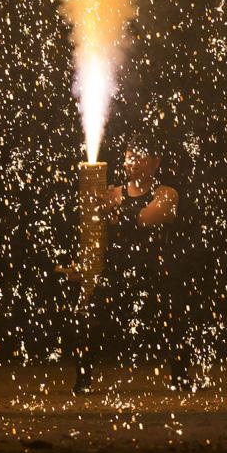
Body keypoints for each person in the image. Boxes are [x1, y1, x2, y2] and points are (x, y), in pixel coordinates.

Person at [58, 134, 189, 394]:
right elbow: (95, 236)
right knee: (87, 320)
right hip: (117, 273)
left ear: (155, 162)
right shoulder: (112, 194)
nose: (134, 164)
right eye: (130, 159)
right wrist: (84, 265)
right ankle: (82, 382)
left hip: (153, 272)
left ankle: (181, 378)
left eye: (140, 159)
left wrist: (113, 211)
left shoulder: (166, 194)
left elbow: (145, 218)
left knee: (174, 321)